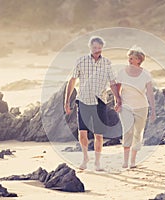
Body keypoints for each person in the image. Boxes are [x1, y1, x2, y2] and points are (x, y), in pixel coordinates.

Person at [64, 36, 121, 171]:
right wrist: (66, 101)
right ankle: (85, 158)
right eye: (94, 48)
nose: (97, 50)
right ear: (90, 47)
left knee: (98, 134)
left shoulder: (107, 63)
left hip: (100, 101)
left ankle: (97, 161)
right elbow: (72, 81)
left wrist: (118, 98)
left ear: (102, 48)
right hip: (83, 100)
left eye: (99, 48)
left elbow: (113, 83)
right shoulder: (81, 61)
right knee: (82, 133)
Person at [116, 46, 156, 168]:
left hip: (142, 107)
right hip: (126, 106)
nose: (129, 60)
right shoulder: (122, 72)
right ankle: (125, 161)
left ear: (139, 60)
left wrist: (153, 110)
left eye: (132, 58)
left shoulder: (146, 74)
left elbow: (149, 93)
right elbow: (117, 89)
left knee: (138, 133)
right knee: (127, 131)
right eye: (129, 58)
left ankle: (133, 162)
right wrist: (117, 102)